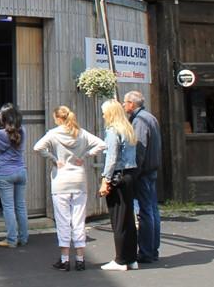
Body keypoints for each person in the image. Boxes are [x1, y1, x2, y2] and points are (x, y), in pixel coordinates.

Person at [33, 106, 106, 271]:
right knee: (79, 221)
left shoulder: (53, 133)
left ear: (58, 118)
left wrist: (53, 158)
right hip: (79, 181)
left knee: (63, 221)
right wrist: (85, 156)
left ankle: (65, 259)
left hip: (60, 181)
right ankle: (80, 259)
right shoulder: (81, 133)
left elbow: (37, 147)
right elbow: (102, 144)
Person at [0, 103, 29, 248]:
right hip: (21, 171)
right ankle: (23, 238)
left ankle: (11, 239)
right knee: (20, 206)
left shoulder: (0, 134)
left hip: (5, 173)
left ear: (3, 119)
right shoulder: (23, 130)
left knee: (8, 207)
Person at [99, 98, 138, 271]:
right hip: (130, 174)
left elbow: (111, 158)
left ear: (110, 113)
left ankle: (120, 260)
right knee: (128, 217)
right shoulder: (128, 128)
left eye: (103, 112)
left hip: (118, 175)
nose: (102, 115)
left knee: (118, 219)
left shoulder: (113, 130)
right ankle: (131, 258)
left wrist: (105, 179)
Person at [123, 90, 162, 264]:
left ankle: (146, 251)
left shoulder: (140, 121)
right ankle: (153, 250)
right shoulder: (150, 117)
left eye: (125, 103)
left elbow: (140, 149)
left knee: (146, 212)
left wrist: (133, 173)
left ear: (132, 104)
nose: (124, 106)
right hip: (152, 169)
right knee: (152, 210)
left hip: (144, 172)